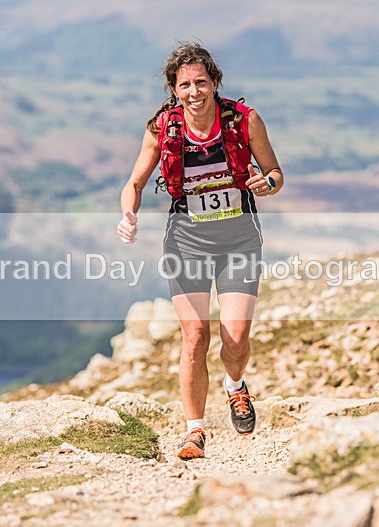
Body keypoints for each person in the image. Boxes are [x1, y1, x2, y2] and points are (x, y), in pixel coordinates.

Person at [117, 43, 283, 460]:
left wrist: (269, 183)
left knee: (236, 339)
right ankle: (194, 432)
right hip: (186, 242)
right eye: (185, 85)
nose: (194, 91)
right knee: (194, 336)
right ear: (174, 90)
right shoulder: (163, 127)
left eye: (201, 82)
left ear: (215, 83)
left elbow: (275, 171)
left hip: (239, 241)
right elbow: (134, 183)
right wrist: (128, 215)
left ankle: (235, 386)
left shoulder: (245, 120)